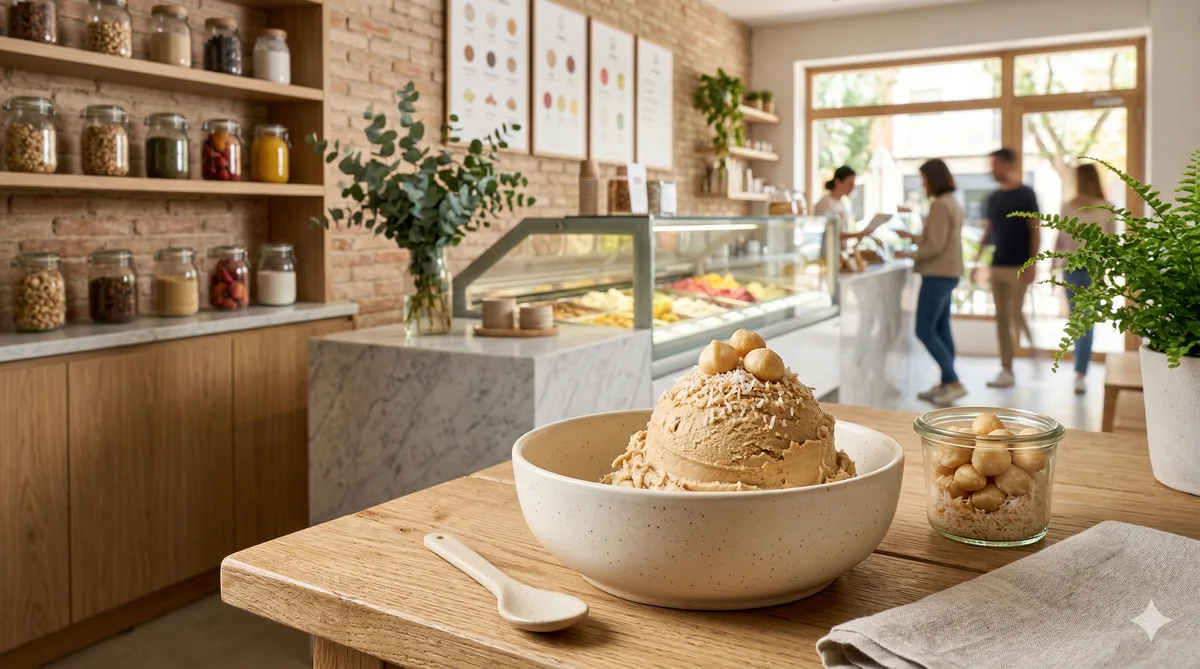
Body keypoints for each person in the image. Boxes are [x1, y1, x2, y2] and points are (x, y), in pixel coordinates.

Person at [896, 159, 966, 405]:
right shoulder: (952, 202)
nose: (922, 184)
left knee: (924, 330)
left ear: (932, 179)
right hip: (950, 272)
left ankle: (954, 381)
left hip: (938, 273)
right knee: (942, 329)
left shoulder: (939, 205)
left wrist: (907, 253)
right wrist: (912, 237)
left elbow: (935, 246)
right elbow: (938, 239)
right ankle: (948, 382)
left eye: (924, 179)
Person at [972, 148, 1040, 389]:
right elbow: (988, 231)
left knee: (1013, 314)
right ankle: (1006, 368)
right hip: (997, 265)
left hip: (1019, 266)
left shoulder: (1026, 194)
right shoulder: (993, 198)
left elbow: (1035, 230)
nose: (991, 169)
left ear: (1009, 164)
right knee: (1001, 318)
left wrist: (1033, 264)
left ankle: (1032, 347)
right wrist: (977, 260)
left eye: (995, 164)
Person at [1058, 163, 1115, 395]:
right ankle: (1081, 373)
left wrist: (1052, 261)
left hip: (1071, 268)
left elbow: (1061, 239)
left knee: (1077, 318)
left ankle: (1079, 370)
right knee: (1087, 319)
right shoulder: (1108, 208)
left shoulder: (1067, 207)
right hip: (1095, 269)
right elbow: (1111, 242)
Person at [813, 166, 864, 243]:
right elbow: (827, 233)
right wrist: (856, 235)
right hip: (828, 252)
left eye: (853, 184)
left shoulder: (842, 203)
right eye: (850, 184)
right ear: (837, 182)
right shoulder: (825, 203)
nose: (852, 187)